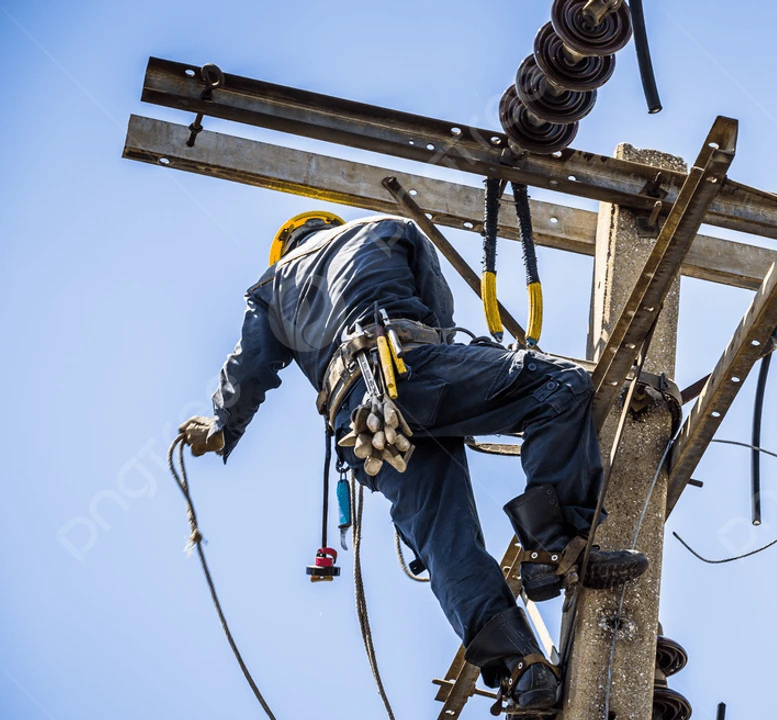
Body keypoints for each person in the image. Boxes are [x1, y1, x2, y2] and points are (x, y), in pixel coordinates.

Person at [179, 210, 648, 715]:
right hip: (410, 367)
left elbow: (249, 366)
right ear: (328, 224)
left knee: (444, 540)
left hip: (360, 422)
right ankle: (554, 550)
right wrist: (465, 382)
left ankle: (521, 669)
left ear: (285, 246)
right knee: (560, 386)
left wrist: (223, 426)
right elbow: (438, 314)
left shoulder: (272, 286)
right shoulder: (383, 227)